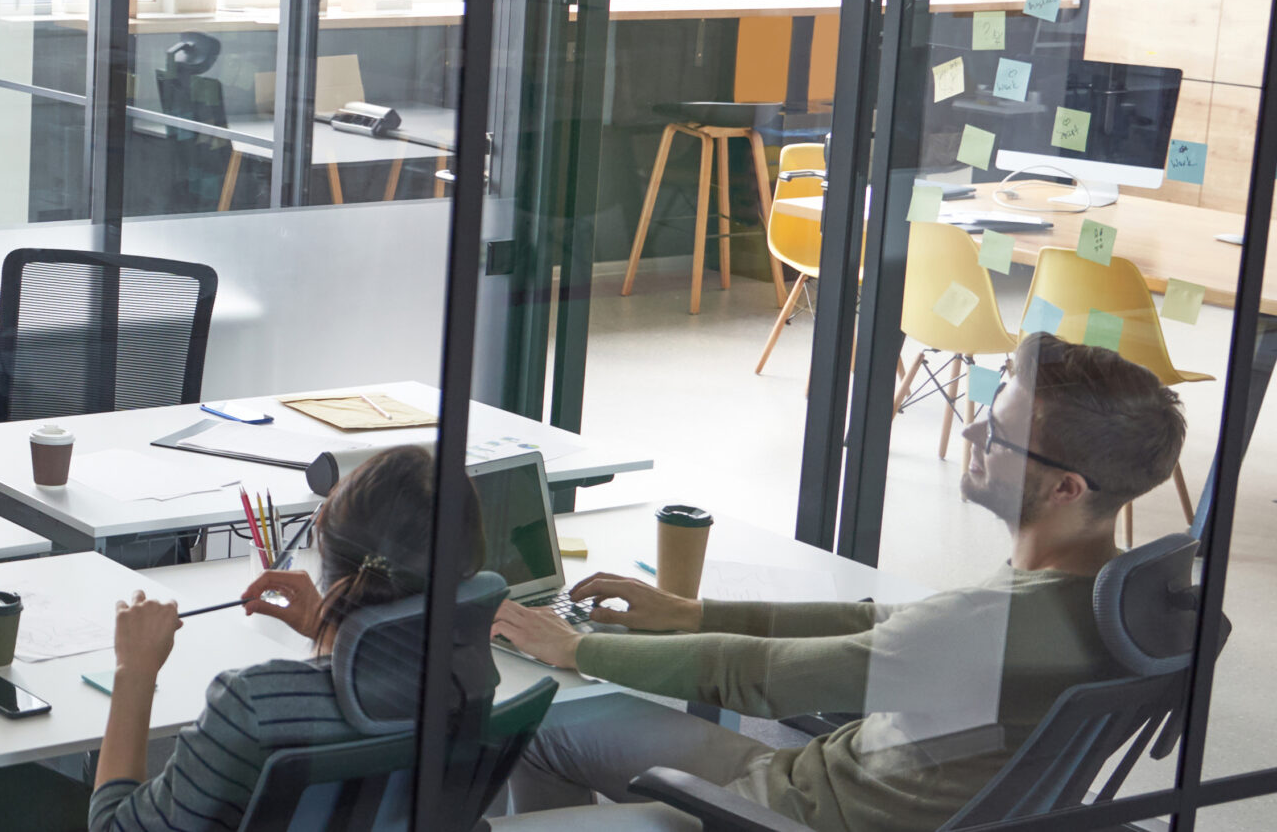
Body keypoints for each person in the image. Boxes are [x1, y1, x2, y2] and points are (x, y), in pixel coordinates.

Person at [489, 333, 1187, 832]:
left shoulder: (992, 625)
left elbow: (760, 676)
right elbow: (878, 627)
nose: (971, 435)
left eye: (999, 436)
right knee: (544, 724)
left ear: (1066, 487)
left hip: (774, 815)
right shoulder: (1109, 597)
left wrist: (576, 650)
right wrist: (691, 610)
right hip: (821, 781)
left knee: (525, 736)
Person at [0, 445, 489, 832]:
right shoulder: (472, 678)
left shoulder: (257, 702)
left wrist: (134, 673)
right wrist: (333, 628)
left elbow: (116, 827)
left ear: (330, 558)